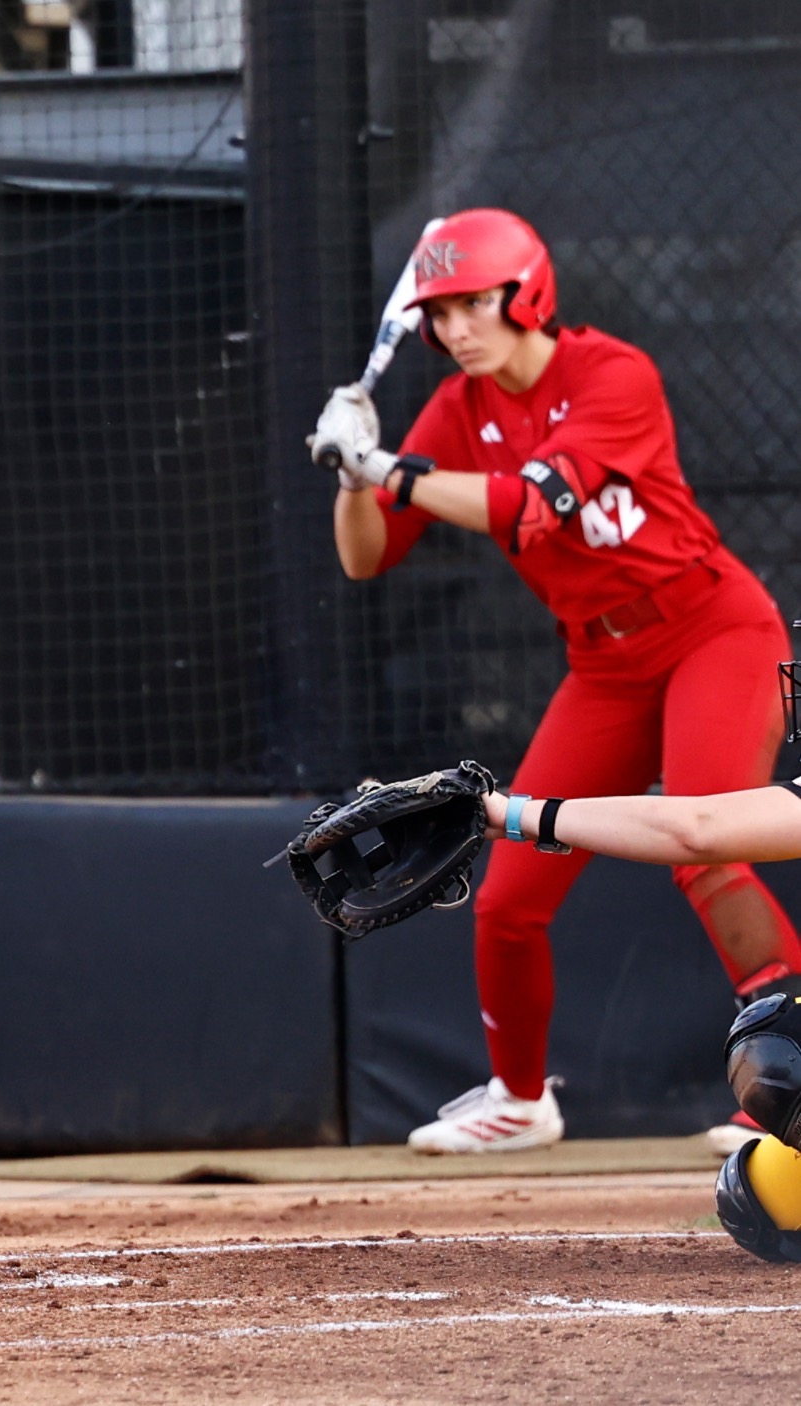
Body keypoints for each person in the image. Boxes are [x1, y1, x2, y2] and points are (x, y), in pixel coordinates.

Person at [310, 207, 801, 1155]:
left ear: (526, 293)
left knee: (706, 845)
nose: (454, 330)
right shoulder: (459, 408)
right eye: (438, 313)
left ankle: (788, 1079)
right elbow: (368, 558)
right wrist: (350, 476)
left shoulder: (614, 372)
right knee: (505, 896)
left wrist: (387, 466)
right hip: (604, 659)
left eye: (472, 305)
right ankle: (523, 1098)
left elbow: (532, 508)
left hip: (710, 628)